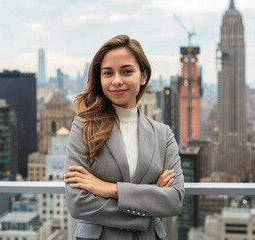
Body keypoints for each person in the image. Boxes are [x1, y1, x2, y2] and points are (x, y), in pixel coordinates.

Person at [64, 34, 185, 240]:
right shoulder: (83, 127)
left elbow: (174, 200)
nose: (117, 81)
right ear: (100, 78)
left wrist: (109, 189)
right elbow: (78, 203)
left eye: (127, 71)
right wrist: (148, 203)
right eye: (108, 73)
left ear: (143, 76)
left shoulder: (162, 134)